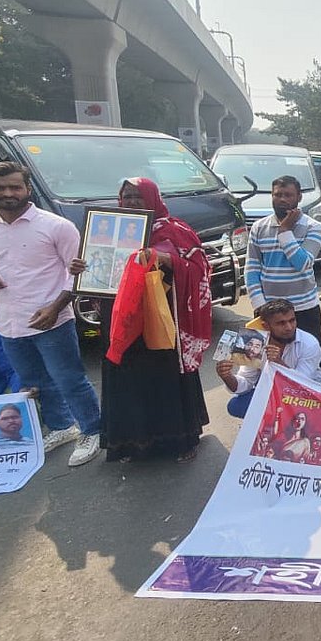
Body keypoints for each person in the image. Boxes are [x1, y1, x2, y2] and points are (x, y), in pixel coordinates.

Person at [0, 162, 101, 467]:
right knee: (34, 381)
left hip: (53, 321)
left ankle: (93, 430)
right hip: (9, 322)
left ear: (28, 189)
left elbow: (79, 273)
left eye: (15, 187)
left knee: (69, 380)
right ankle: (62, 427)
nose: (8, 193)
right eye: (0, 188)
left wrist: (55, 307)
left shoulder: (56, 226)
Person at [73, 178, 213, 463]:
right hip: (120, 314)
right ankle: (130, 442)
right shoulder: (111, 228)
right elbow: (100, 268)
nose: (132, 202)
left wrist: (161, 258)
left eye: (138, 196)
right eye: (126, 196)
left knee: (164, 376)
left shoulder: (174, 229)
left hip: (158, 315)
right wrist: (81, 268)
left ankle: (180, 440)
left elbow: (197, 265)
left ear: (152, 197)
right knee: (125, 373)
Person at [245, 174, 321, 375]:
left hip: (303, 308)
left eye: (288, 195)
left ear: (299, 197)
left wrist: (284, 231)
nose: (283, 199)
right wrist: (260, 305)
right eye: (278, 195)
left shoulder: (313, 227)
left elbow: (303, 263)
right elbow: (252, 267)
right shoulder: (259, 227)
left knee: (314, 353)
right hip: (267, 307)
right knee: (258, 357)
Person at [218, 299, 321, 418]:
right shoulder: (255, 343)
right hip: (274, 393)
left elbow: (301, 385)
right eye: (281, 323)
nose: (289, 327)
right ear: (266, 326)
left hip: (306, 396)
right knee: (236, 406)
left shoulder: (309, 343)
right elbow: (246, 383)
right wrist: (227, 377)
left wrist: (279, 363)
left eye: (292, 320)